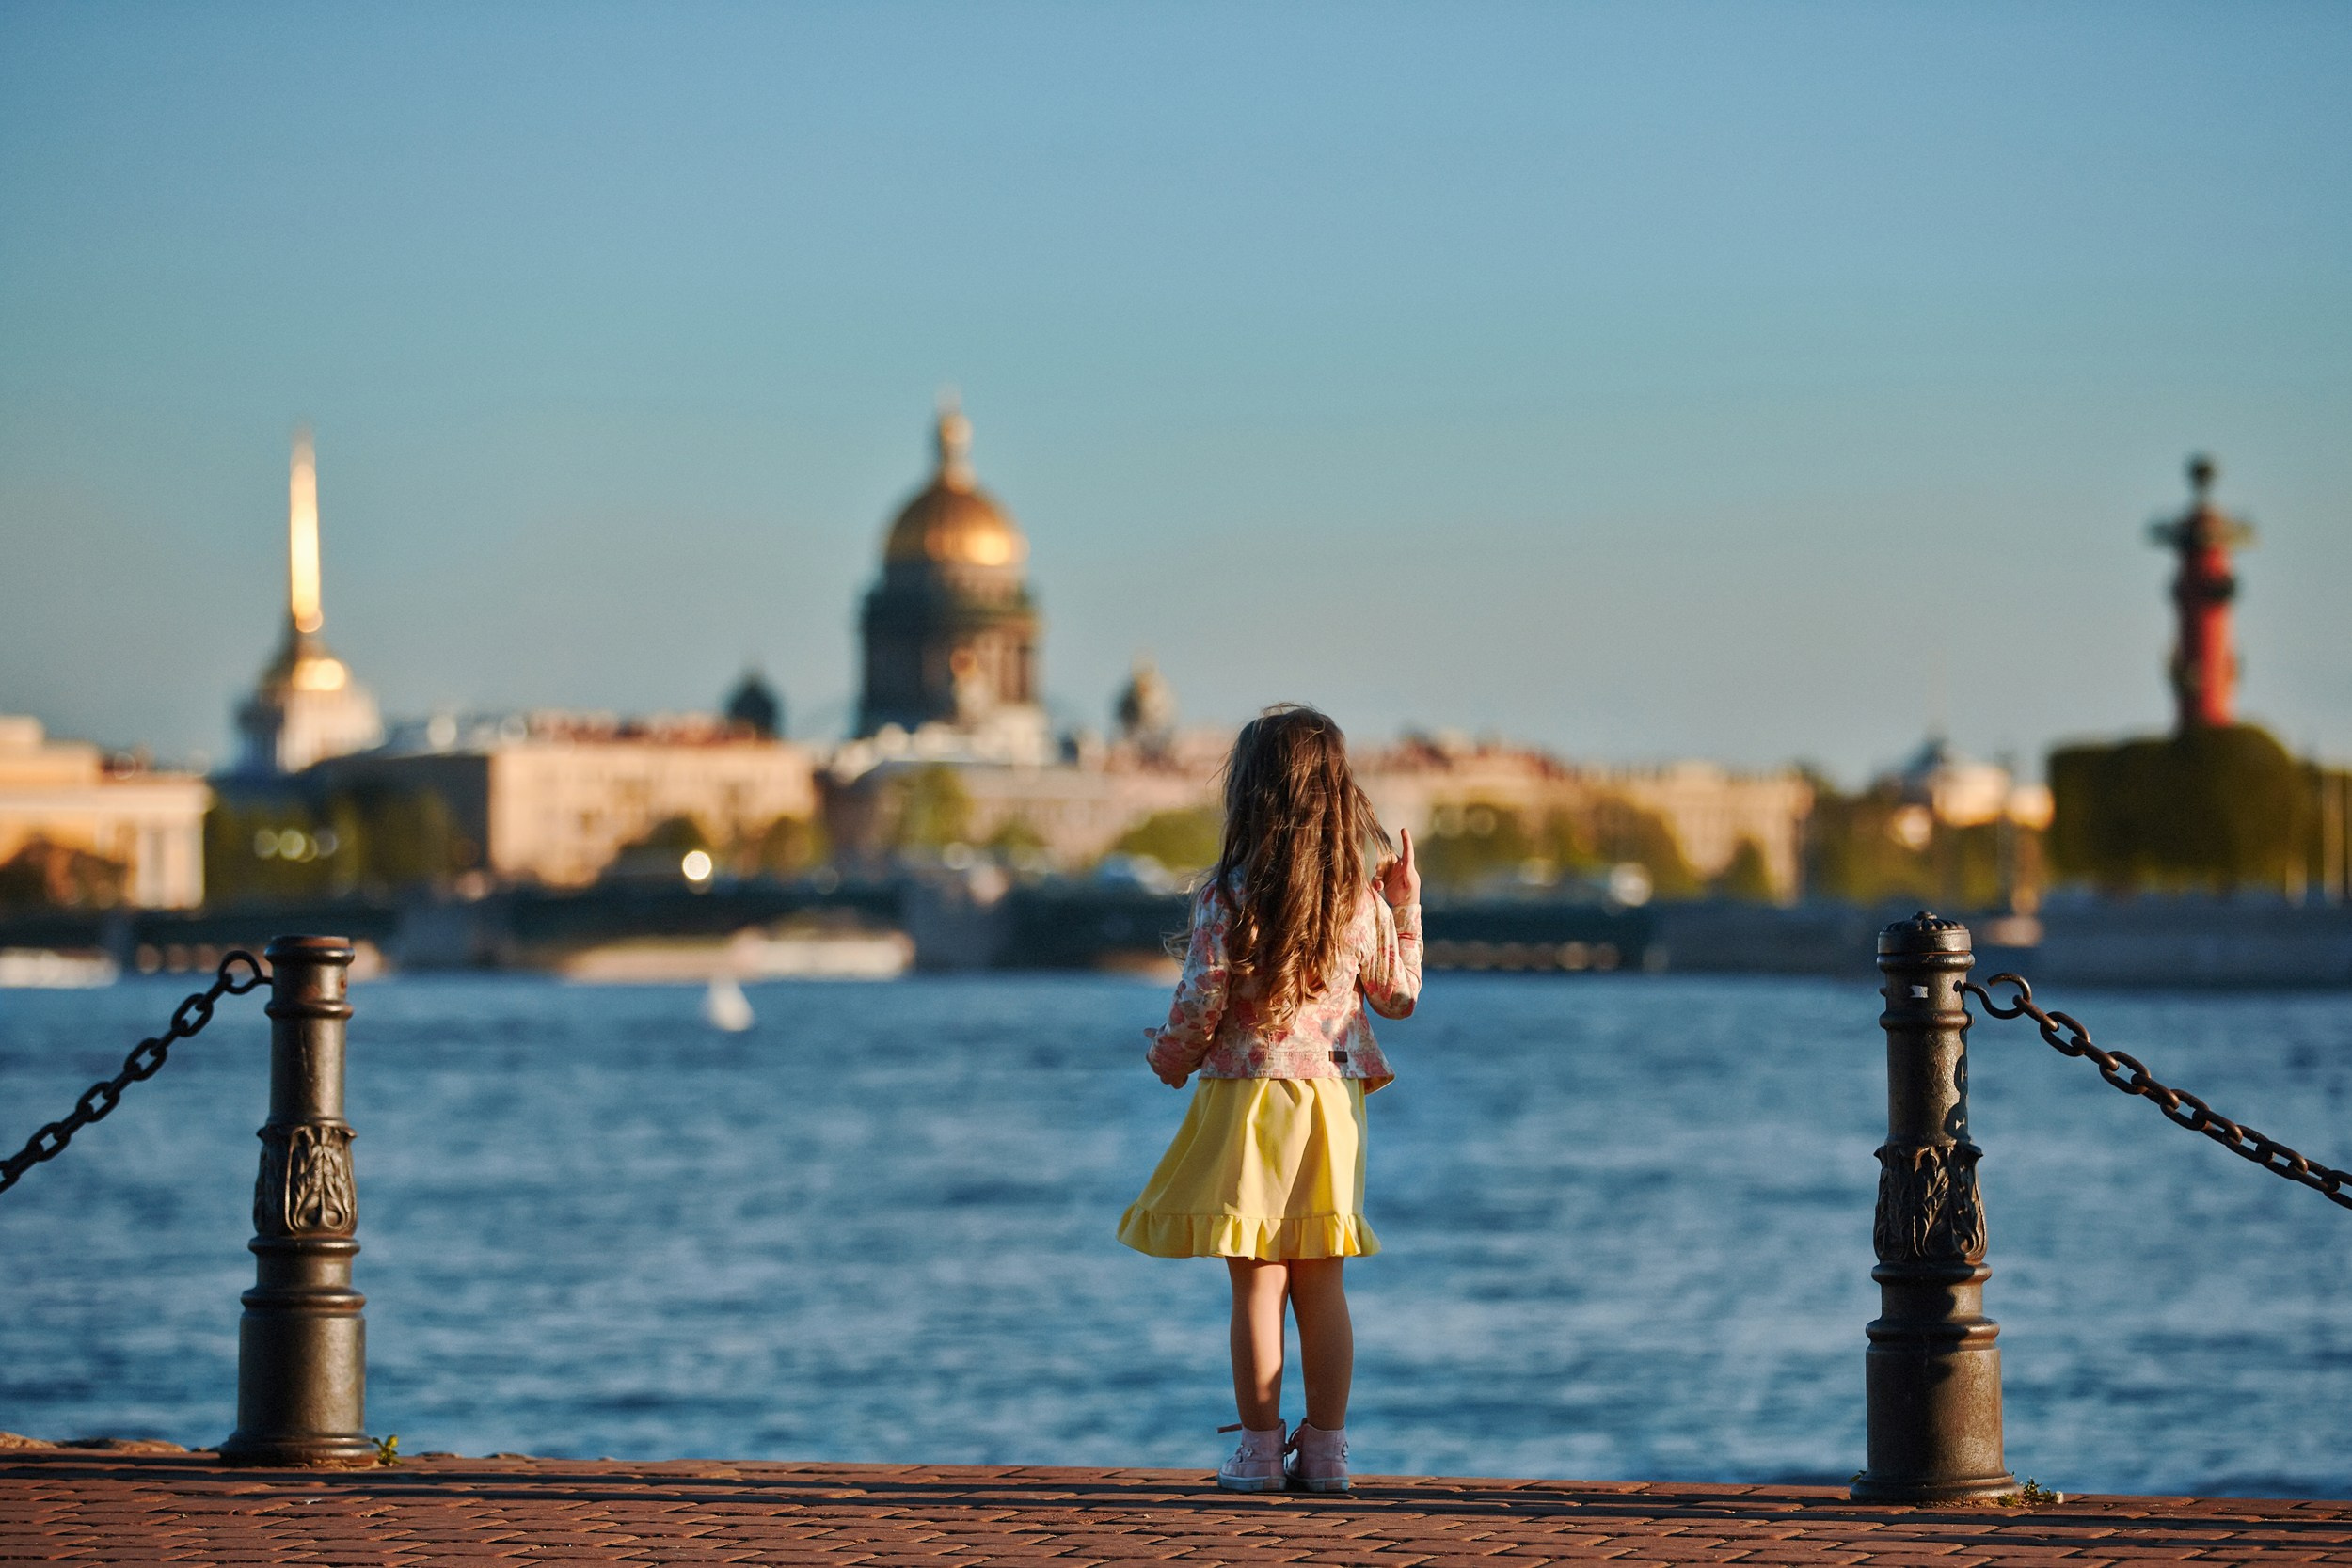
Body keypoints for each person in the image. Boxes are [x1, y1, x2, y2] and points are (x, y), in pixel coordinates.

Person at [1117, 704, 1423, 1493]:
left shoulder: (1228, 896)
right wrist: (1406, 904)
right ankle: (1326, 1453)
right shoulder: (1359, 902)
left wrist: (1169, 1057)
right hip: (1330, 1107)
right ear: (1339, 796)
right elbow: (1399, 996)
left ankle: (1257, 1452)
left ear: (1251, 796)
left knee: (1256, 1279)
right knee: (1323, 1278)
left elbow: (1200, 1001)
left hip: (1249, 1104)